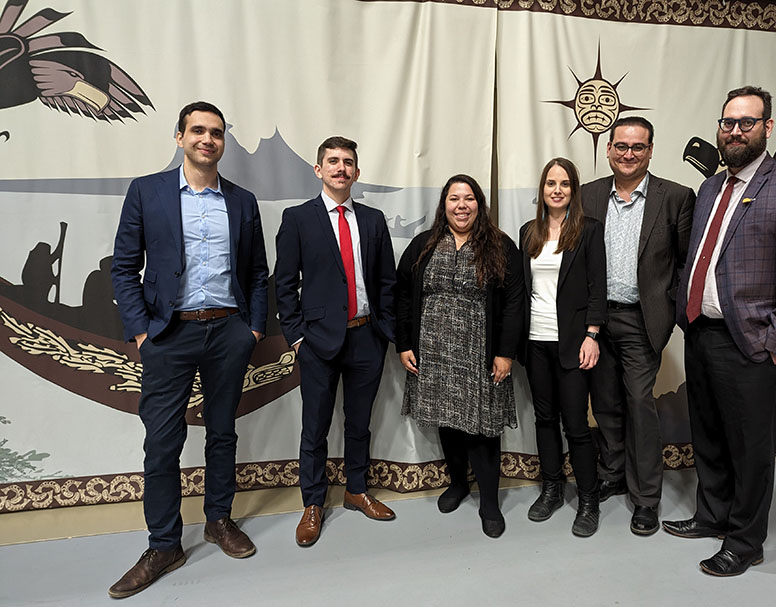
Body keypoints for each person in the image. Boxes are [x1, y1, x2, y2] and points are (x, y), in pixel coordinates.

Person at [109, 101, 269, 598]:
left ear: (223, 143)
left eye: (216, 133)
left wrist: (254, 330)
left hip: (227, 334)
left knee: (223, 433)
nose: (207, 139)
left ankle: (219, 521)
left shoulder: (242, 201)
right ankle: (163, 544)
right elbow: (123, 267)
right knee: (162, 442)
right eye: (197, 130)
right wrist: (143, 334)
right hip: (167, 336)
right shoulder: (146, 192)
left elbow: (258, 274)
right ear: (179, 137)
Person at [663, 86, 776, 576]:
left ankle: (746, 540)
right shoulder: (712, 187)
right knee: (708, 435)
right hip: (700, 332)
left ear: (767, 127)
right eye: (727, 122)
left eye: (746, 122)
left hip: (749, 342)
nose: (734, 131)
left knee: (750, 448)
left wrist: (775, 346)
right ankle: (713, 515)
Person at [274, 136, 397, 547]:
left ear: (356, 173)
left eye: (347, 162)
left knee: (359, 423)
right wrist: (295, 338)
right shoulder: (297, 219)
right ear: (318, 169)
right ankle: (313, 502)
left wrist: (385, 332)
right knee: (315, 427)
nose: (340, 168)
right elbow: (285, 284)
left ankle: (356, 490)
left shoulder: (374, 220)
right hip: (318, 343)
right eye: (332, 161)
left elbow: (385, 282)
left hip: (366, 337)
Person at [581, 117, 696, 536]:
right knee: (606, 402)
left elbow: (685, 262)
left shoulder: (676, 197)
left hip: (642, 320)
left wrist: (671, 313)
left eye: (637, 147)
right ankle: (613, 471)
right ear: (609, 150)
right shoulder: (587, 195)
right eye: (621, 146)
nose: (628, 154)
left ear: (650, 150)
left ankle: (646, 497)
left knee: (639, 404)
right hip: (596, 318)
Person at [395, 174, 524, 538]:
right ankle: (458, 484)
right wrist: (404, 342)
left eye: (469, 198)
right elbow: (403, 295)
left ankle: (489, 502)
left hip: (480, 354)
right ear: (444, 205)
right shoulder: (424, 244)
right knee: (447, 421)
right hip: (433, 353)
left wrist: (505, 353)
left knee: (482, 428)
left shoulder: (500, 246)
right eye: (454, 199)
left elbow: (514, 303)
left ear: (479, 205)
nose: (461, 205)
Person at [519, 158, 606, 537]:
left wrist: (592, 335)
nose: (557, 190)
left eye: (565, 184)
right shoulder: (529, 232)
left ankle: (589, 499)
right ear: (542, 189)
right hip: (536, 342)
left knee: (576, 425)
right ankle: (551, 489)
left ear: (574, 190)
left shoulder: (588, 230)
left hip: (573, 343)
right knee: (544, 420)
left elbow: (597, 288)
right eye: (551, 183)